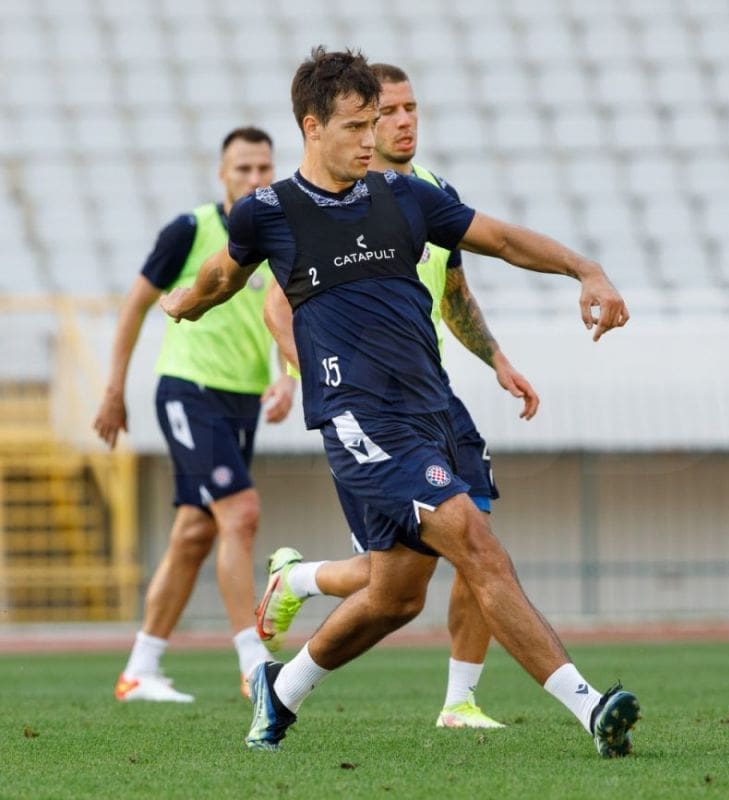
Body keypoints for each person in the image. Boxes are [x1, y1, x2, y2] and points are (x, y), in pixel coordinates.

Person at [159, 47, 639, 757]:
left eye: (375, 122)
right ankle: (591, 707)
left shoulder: (405, 196)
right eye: (356, 126)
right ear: (312, 126)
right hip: (360, 418)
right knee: (477, 542)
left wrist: (585, 269)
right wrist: (184, 304)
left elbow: (502, 240)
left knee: (395, 597)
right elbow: (221, 277)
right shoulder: (271, 211)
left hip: (431, 409)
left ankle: (278, 693)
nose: (371, 138)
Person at [255, 62, 540, 730]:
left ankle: (460, 701)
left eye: (413, 108)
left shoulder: (430, 194)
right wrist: (312, 375)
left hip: (433, 395)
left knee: (475, 540)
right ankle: (297, 581)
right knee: (394, 578)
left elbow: (455, 293)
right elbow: (278, 305)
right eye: (387, 112)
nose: (404, 122)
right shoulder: (325, 205)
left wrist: (498, 359)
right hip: (366, 408)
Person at [95, 127, 298, 701]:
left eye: (264, 168)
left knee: (194, 532)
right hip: (189, 391)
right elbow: (135, 305)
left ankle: (140, 670)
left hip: (241, 400)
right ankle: (253, 662)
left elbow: (282, 311)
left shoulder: (279, 236)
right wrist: (114, 389)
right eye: (243, 169)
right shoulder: (190, 229)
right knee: (241, 513)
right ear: (222, 174)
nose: (254, 179)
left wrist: (285, 378)